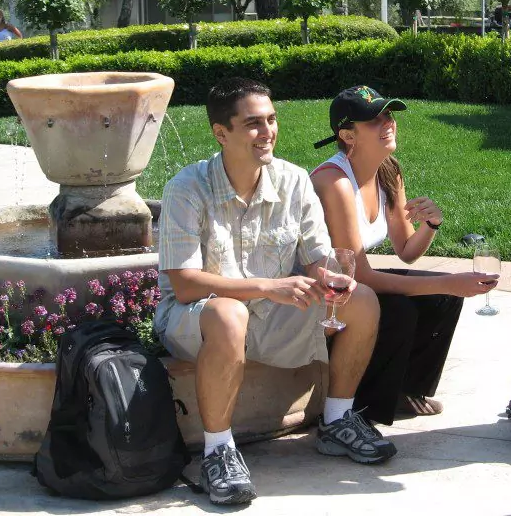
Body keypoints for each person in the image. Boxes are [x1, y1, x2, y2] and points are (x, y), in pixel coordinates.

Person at [155, 77, 396, 507]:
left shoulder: (295, 181)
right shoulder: (186, 188)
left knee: (361, 300)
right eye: (253, 124)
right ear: (220, 133)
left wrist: (329, 278)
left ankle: (337, 421)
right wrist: (269, 286)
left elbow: (320, 257)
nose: (267, 132)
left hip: (273, 313)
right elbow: (186, 285)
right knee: (230, 314)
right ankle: (219, 451)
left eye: (271, 119)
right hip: (199, 319)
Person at [310, 86, 497, 425]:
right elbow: (360, 277)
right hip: (324, 290)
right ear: (347, 134)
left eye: (389, 115)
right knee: (398, 309)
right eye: (374, 120)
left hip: (352, 283)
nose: (388, 123)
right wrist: (451, 281)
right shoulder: (334, 181)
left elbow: (407, 251)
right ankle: (364, 406)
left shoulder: (388, 170)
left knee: (443, 298)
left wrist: (431, 224)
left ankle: (407, 389)